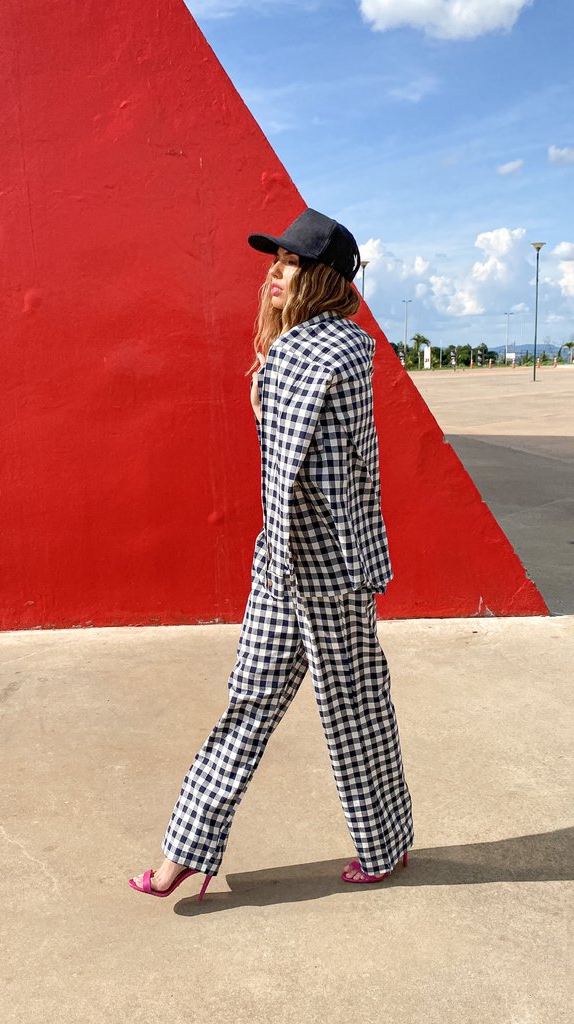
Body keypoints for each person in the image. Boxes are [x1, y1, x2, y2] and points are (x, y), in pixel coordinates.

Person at [128, 208, 413, 899]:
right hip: (288, 565)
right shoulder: (322, 350)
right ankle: (187, 852)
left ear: (324, 279)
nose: (275, 274)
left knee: (350, 708)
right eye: (275, 261)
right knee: (260, 704)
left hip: (322, 571)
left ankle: (382, 846)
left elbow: (312, 479)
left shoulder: (314, 354)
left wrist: (325, 569)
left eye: (291, 263)